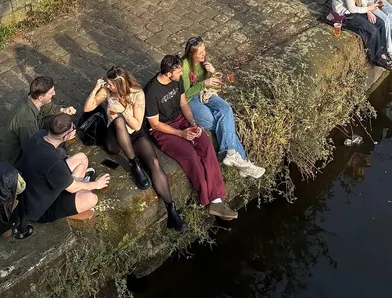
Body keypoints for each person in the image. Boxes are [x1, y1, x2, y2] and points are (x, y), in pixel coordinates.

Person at [83, 68, 186, 231]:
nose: (108, 86)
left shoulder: (137, 93)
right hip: (114, 138)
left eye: (111, 84)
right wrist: (96, 89)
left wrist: (122, 109)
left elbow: (138, 125)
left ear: (120, 84)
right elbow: (87, 108)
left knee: (154, 162)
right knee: (118, 122)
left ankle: (171, 209)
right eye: (107, 84)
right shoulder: (107, 91)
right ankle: (134, 164)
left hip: (134, 132)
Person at [144, 55, 237, 221]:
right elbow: (155, 123)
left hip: (181, 119)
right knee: (190, 155)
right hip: (163, 130)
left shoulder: (177, 80)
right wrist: (180, 134)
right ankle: (205, 198)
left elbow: (183, 103)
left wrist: (193, 123)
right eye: (178, 72)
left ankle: (216, 200)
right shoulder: (151, 92)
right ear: (167, 73)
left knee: (206, 146)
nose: (181, 74)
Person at [181, 38, 264, 178]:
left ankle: (230, 153)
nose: (203, 54)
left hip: (205, 93)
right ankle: (243, 162)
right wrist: (204, 82)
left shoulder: (204, 63)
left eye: (204, 50)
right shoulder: (184, 67)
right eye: (200, 53)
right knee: (216, 122)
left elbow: (216, 85)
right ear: (191, 54)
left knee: (226, 110)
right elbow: (185, 94)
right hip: (191, 100)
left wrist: (213, 73)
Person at [18, 113, 109, 223]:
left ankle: (71, 198)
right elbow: (72, 187)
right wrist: (97, 184)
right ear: (66, 137)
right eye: (73, 129)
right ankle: (67, 210)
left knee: (82, 158)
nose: (75, 131)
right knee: (91, 199)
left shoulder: (39, 135)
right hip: (39, 209)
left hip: (32, 185)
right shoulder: (54, 165)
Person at [0, 76, 76, 166]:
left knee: (61, 119)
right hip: (17, 159)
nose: (54, 93)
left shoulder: (32, 98)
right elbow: (32, 148)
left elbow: (47, 107)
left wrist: (63, 110)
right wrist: (60, 139)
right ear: (41, 97)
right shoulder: (27, 121)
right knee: (60, 153)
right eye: (50, 93)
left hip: (35, 129)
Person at [329, 0, 392, 70]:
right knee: (372, 31)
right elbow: (352, 9)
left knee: (380, 23)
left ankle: (383, 52)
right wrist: (368, 8)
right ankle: (376, 57)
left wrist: (368, 10)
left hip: (355, 10)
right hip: (345, 15)